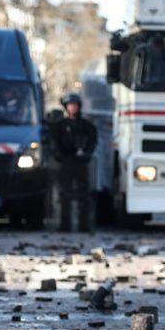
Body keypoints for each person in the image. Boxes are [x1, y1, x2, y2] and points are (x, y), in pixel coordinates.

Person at [51, 91, 97, 232]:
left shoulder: (86, 125)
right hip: (65, 161)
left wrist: (86, 153)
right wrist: (58, 154)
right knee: (65, 194)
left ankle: (84, 225)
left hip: (81, 163)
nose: (73, 108)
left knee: (84, 194)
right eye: (70, 105)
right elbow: (54, 142)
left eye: (75, 105)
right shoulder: (60, 125)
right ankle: (65, 225)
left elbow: (93, 141)